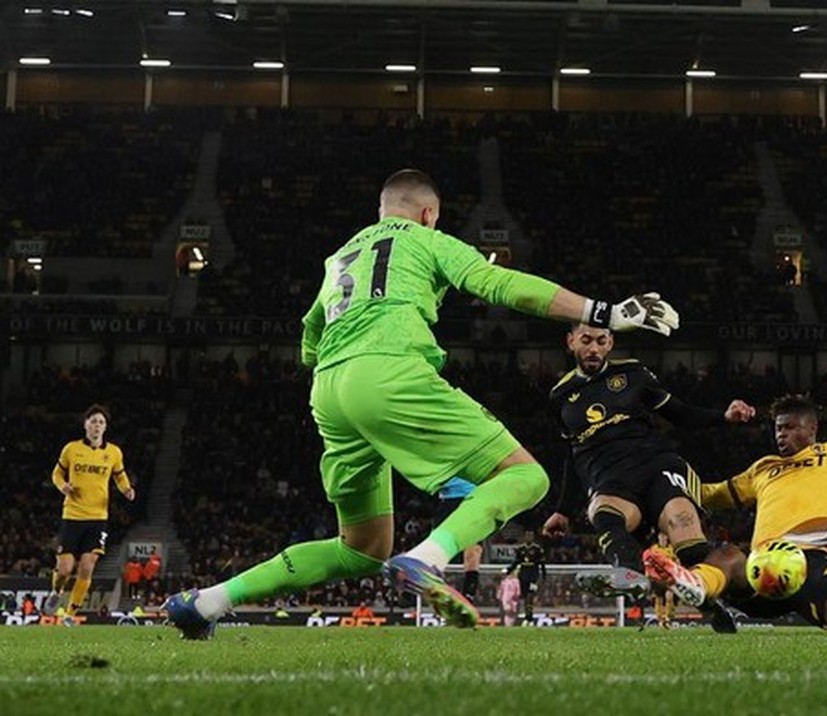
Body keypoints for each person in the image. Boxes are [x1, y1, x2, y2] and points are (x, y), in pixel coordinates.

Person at [165, 168, 680, 639]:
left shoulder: (339, 257)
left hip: (330, 390)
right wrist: (604, 312)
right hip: (389, 372)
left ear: (382, 212)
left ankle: (205, 603)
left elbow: (309, 341)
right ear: (429, 213)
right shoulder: (427, 240)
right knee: (528, 478)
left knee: (360, 551)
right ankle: (428, 558)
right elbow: (498, 284)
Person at [660, 317, 827, 633]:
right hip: (763, 565)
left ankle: (814, 606)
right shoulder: (764, 468)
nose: (781, 434)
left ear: (812, 428)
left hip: (814, 559)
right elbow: (711, 495)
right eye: (778, 428)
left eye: (789, 428)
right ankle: (698, 585)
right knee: (729, 555)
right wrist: (669, 481)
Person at [540, 323, 754, 633]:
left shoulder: (633, 373)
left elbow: (679, 412)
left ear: (611, 342)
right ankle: (629, 575)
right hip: (610, 478)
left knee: (690, 547)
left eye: (601, 341)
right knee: (604, 513)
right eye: (586, 340)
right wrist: (562, 509)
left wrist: (723, 416)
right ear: (570, 341)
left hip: (656, 466)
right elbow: (569, 456)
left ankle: (716, 598)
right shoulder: (559, 395)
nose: (594, 348)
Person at [46, 404, 136, 623]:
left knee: (87, 567)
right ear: (85, 425)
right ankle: (57, 591)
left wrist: (126, 489)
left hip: (98, 518)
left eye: (101, 422)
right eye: (93, 421)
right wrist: (63, 486)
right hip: (72, 516)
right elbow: (56, 474)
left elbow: (119, 475)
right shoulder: (71, 449)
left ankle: (70, 614)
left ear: (105, 428)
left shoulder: (113, 452)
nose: (97, 425)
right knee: (65, 569)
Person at [434, 476, 485, 602]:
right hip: (448, 500)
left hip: (473, 499)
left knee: (473, 553)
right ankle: (426, 593)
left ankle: (468, 598)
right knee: (437, 551)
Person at [509, 531, 546, 624]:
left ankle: (529, 617)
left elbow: (542, 564)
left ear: (533, 537)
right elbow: (516, 561)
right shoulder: (520, 549)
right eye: (527, 535)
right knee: (524, 597)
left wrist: (544, 576)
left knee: (530, 596)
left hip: (533, 575)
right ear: (525, 537)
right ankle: (525, 615)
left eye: (531, 536)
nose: (529, 537)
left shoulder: (537, 549)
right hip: (523, 575)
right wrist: (509, 570)